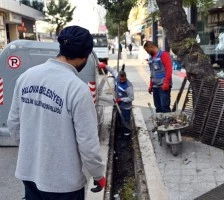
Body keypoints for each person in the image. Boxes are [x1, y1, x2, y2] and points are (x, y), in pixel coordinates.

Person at [7, 25, 106, 200]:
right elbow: (88, 145)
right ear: (85, 56)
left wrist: (33, 152)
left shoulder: (26, 77)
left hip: (29, 174)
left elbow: (14, 125)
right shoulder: (77, 89)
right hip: (63, 184)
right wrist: (98, 175)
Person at [99, 62, 134, 137]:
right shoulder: (117, 76)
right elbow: (111, 70)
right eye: (120, 79)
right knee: (119, 118)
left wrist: (121, 99)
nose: (121, 81)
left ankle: (127, 134)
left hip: (125, 107)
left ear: (126, 77)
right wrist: (104, 66)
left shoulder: (128, 86)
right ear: (118, 77)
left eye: (123, 79)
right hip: (118, 105)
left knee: (125, 120)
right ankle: (120, 131)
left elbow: (131, 98)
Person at [143, 41, 172, 113]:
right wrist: (151, 85)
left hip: (163, 86)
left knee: (164, 107)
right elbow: (152, 73)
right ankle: (160, 123)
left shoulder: (164, 55)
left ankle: (167, 123)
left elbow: (169, 70)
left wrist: (166, 83)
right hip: (155, 86)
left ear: (151, 47)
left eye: (147, 50)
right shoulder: (151, 59)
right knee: (158, 108)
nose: (147, 52)